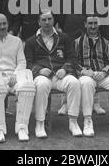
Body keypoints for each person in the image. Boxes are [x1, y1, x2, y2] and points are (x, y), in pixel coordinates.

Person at [58, 0, 106, 115]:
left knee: (93, 63)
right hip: (70, 32)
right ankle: (65, 103)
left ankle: (95, 103)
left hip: (89, 31)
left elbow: (99, 12)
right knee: (69, 65)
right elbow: (61, 14)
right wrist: (66, 29)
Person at [24, 10, 82, 138]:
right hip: (43, 76)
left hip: (60, 75)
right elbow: (28, 63)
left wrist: (65, 69)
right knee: (42, 85)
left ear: (53, 20)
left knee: (74, 83)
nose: (47, 22)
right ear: (39, 22)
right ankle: (40, 123)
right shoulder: (31, 41)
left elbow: (72, 57)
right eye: (43, 20)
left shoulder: (64, 37)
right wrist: (39, 70)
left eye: (49, 19)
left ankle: (73, 122)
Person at [0, 14, 35, 143]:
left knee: (27, 87)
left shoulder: (16, 41)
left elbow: (22, 62)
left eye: (4, 23)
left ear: (8, 24)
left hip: (14, 76)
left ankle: (22, 128)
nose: (2, 26)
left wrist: (15, 75)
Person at [76, 15, 109, 137]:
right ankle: (88, 121)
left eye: (95, 23)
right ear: (85, 24)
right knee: (86, 83)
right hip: (87, 75)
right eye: (90, 23)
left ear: (99, 25)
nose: (93, 26)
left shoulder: (106, 42)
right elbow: (73, 62)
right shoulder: (78, 42)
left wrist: (104, 72)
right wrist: (84, 71)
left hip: (103, 74)